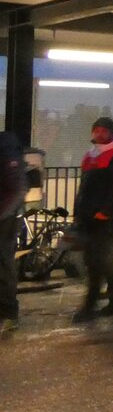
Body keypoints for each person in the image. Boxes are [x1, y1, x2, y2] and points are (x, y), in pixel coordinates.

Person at [72, 117, 113, 322]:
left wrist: (106, 212)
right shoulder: (93, 156)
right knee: (104, 263)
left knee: (99, 263)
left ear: (112, 133)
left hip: (107, 222)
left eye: (103, 131)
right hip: (95, 219)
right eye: (96, 130)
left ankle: (92, 305)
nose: (99, 135)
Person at [0, 131, 28, 338]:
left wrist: (2, 214)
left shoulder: (6, 149)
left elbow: (17, 189)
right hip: (5, 215)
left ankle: (9, 313)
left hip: (6, 219)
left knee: (3, 263)